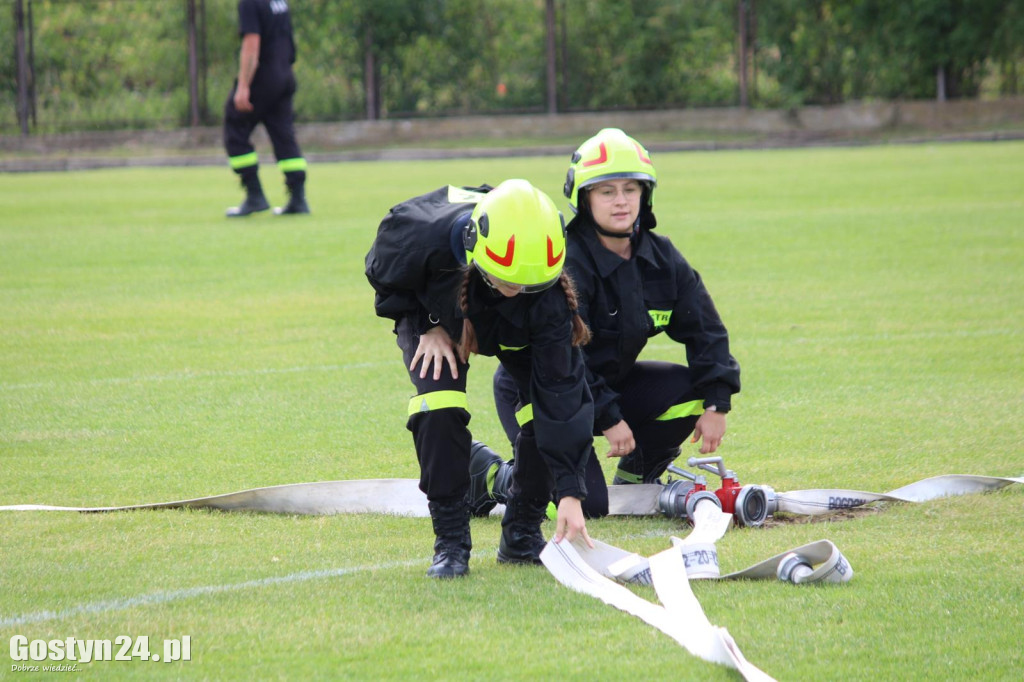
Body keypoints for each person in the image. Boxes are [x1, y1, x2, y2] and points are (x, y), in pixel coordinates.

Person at [478, 128, 740, 518]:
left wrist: (718, 401)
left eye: (630, 189)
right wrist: (609, 416)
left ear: (644, 195)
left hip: (608, 385)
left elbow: (706, 330)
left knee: (690, 389)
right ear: (583, 198)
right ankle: (491, 474)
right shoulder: (563, 262)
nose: (621, 201)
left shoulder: (662, 258)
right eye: (607, 191)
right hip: (540, 388)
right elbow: (564, 359)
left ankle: (637, 476)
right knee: (586, 505)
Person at [365, 179, 595, 579]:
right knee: (439, 405)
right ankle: (451, 543)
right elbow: (384, 274)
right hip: (437, 314)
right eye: (506, 281)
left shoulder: (546, 295)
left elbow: (563, 397)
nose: (515, 291)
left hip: (511, 321)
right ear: (475, 246)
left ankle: (522, 533)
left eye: (527, 284)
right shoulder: (420, 236)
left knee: (542, 412)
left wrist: (571, 492)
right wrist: (430, 325)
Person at [223, 0, 310, 217]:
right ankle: (298, 198)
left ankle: (254, 195)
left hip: (264, 76)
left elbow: (252, 44)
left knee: (234, 126)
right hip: (285, 73)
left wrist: (243, 86)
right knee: (284, 135)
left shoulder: (249, 3)